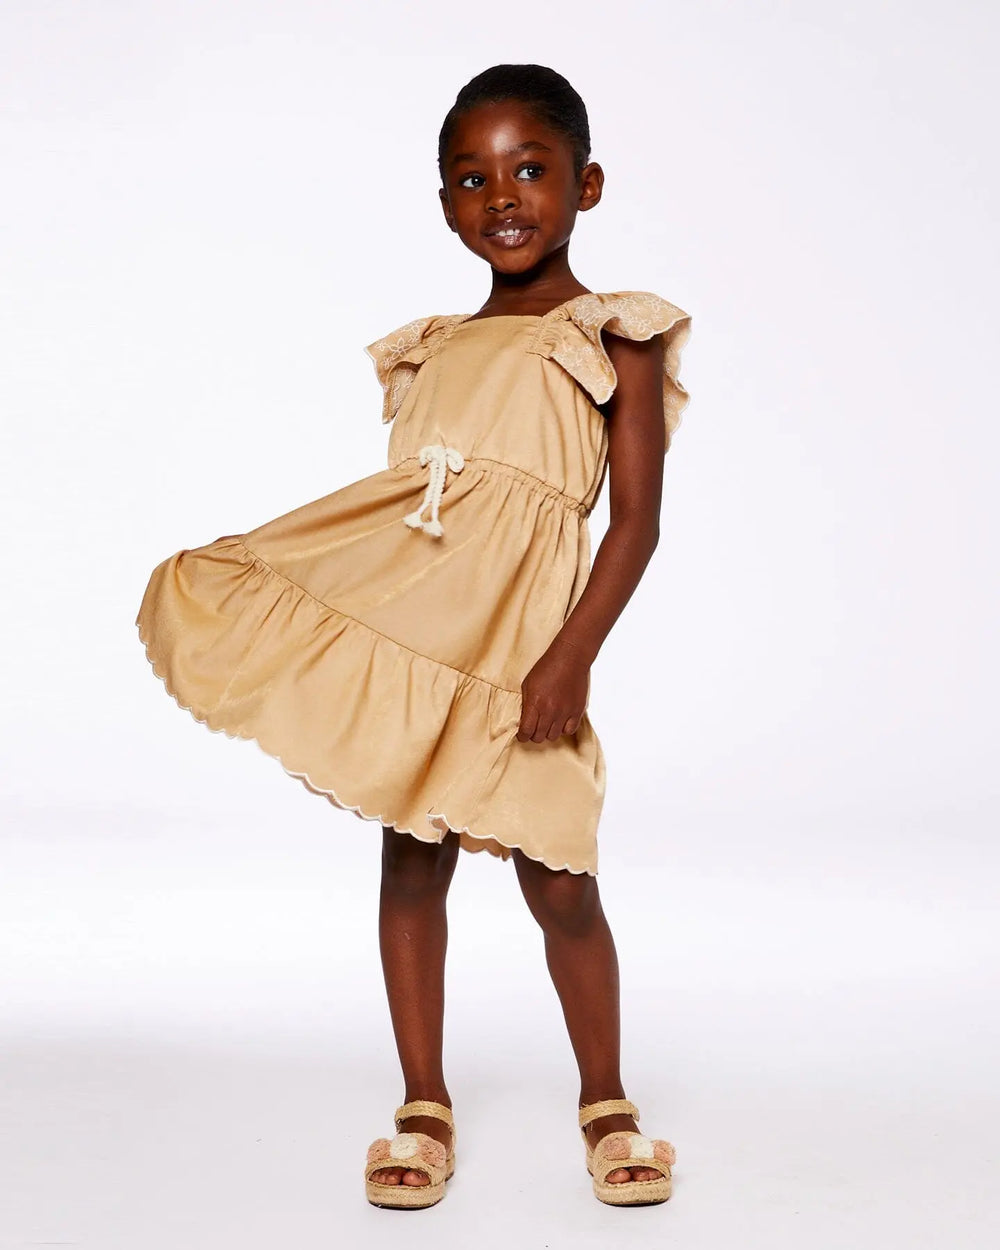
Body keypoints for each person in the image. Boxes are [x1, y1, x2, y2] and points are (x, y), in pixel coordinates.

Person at [135, 62, 691, 1209]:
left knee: (562, 881)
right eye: (471, 178)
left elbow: (633, 524)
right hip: (424, 647)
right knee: (409, 860)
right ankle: (422, 1101)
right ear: (443, 204)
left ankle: (606, 1098)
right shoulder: (433, 346)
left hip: (527, 651)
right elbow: (413, 518)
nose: (503, 196)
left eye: (530, 168)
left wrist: (569, 656)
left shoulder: (611, 335)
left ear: (586, 184)